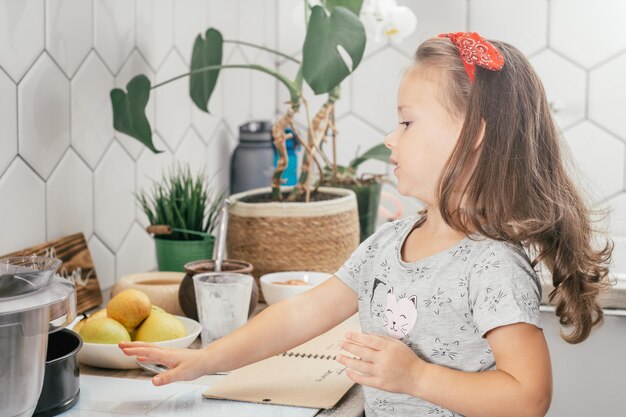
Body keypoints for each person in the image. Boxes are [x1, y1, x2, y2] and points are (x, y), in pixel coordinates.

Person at [120, 32, 613, 417]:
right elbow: (302, 315)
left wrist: (416, 378)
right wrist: (207, 360)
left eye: (406, 122)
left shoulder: (490, 266)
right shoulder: (388, 245)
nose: (389, 139)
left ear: (472, 136)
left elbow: (528, 398)